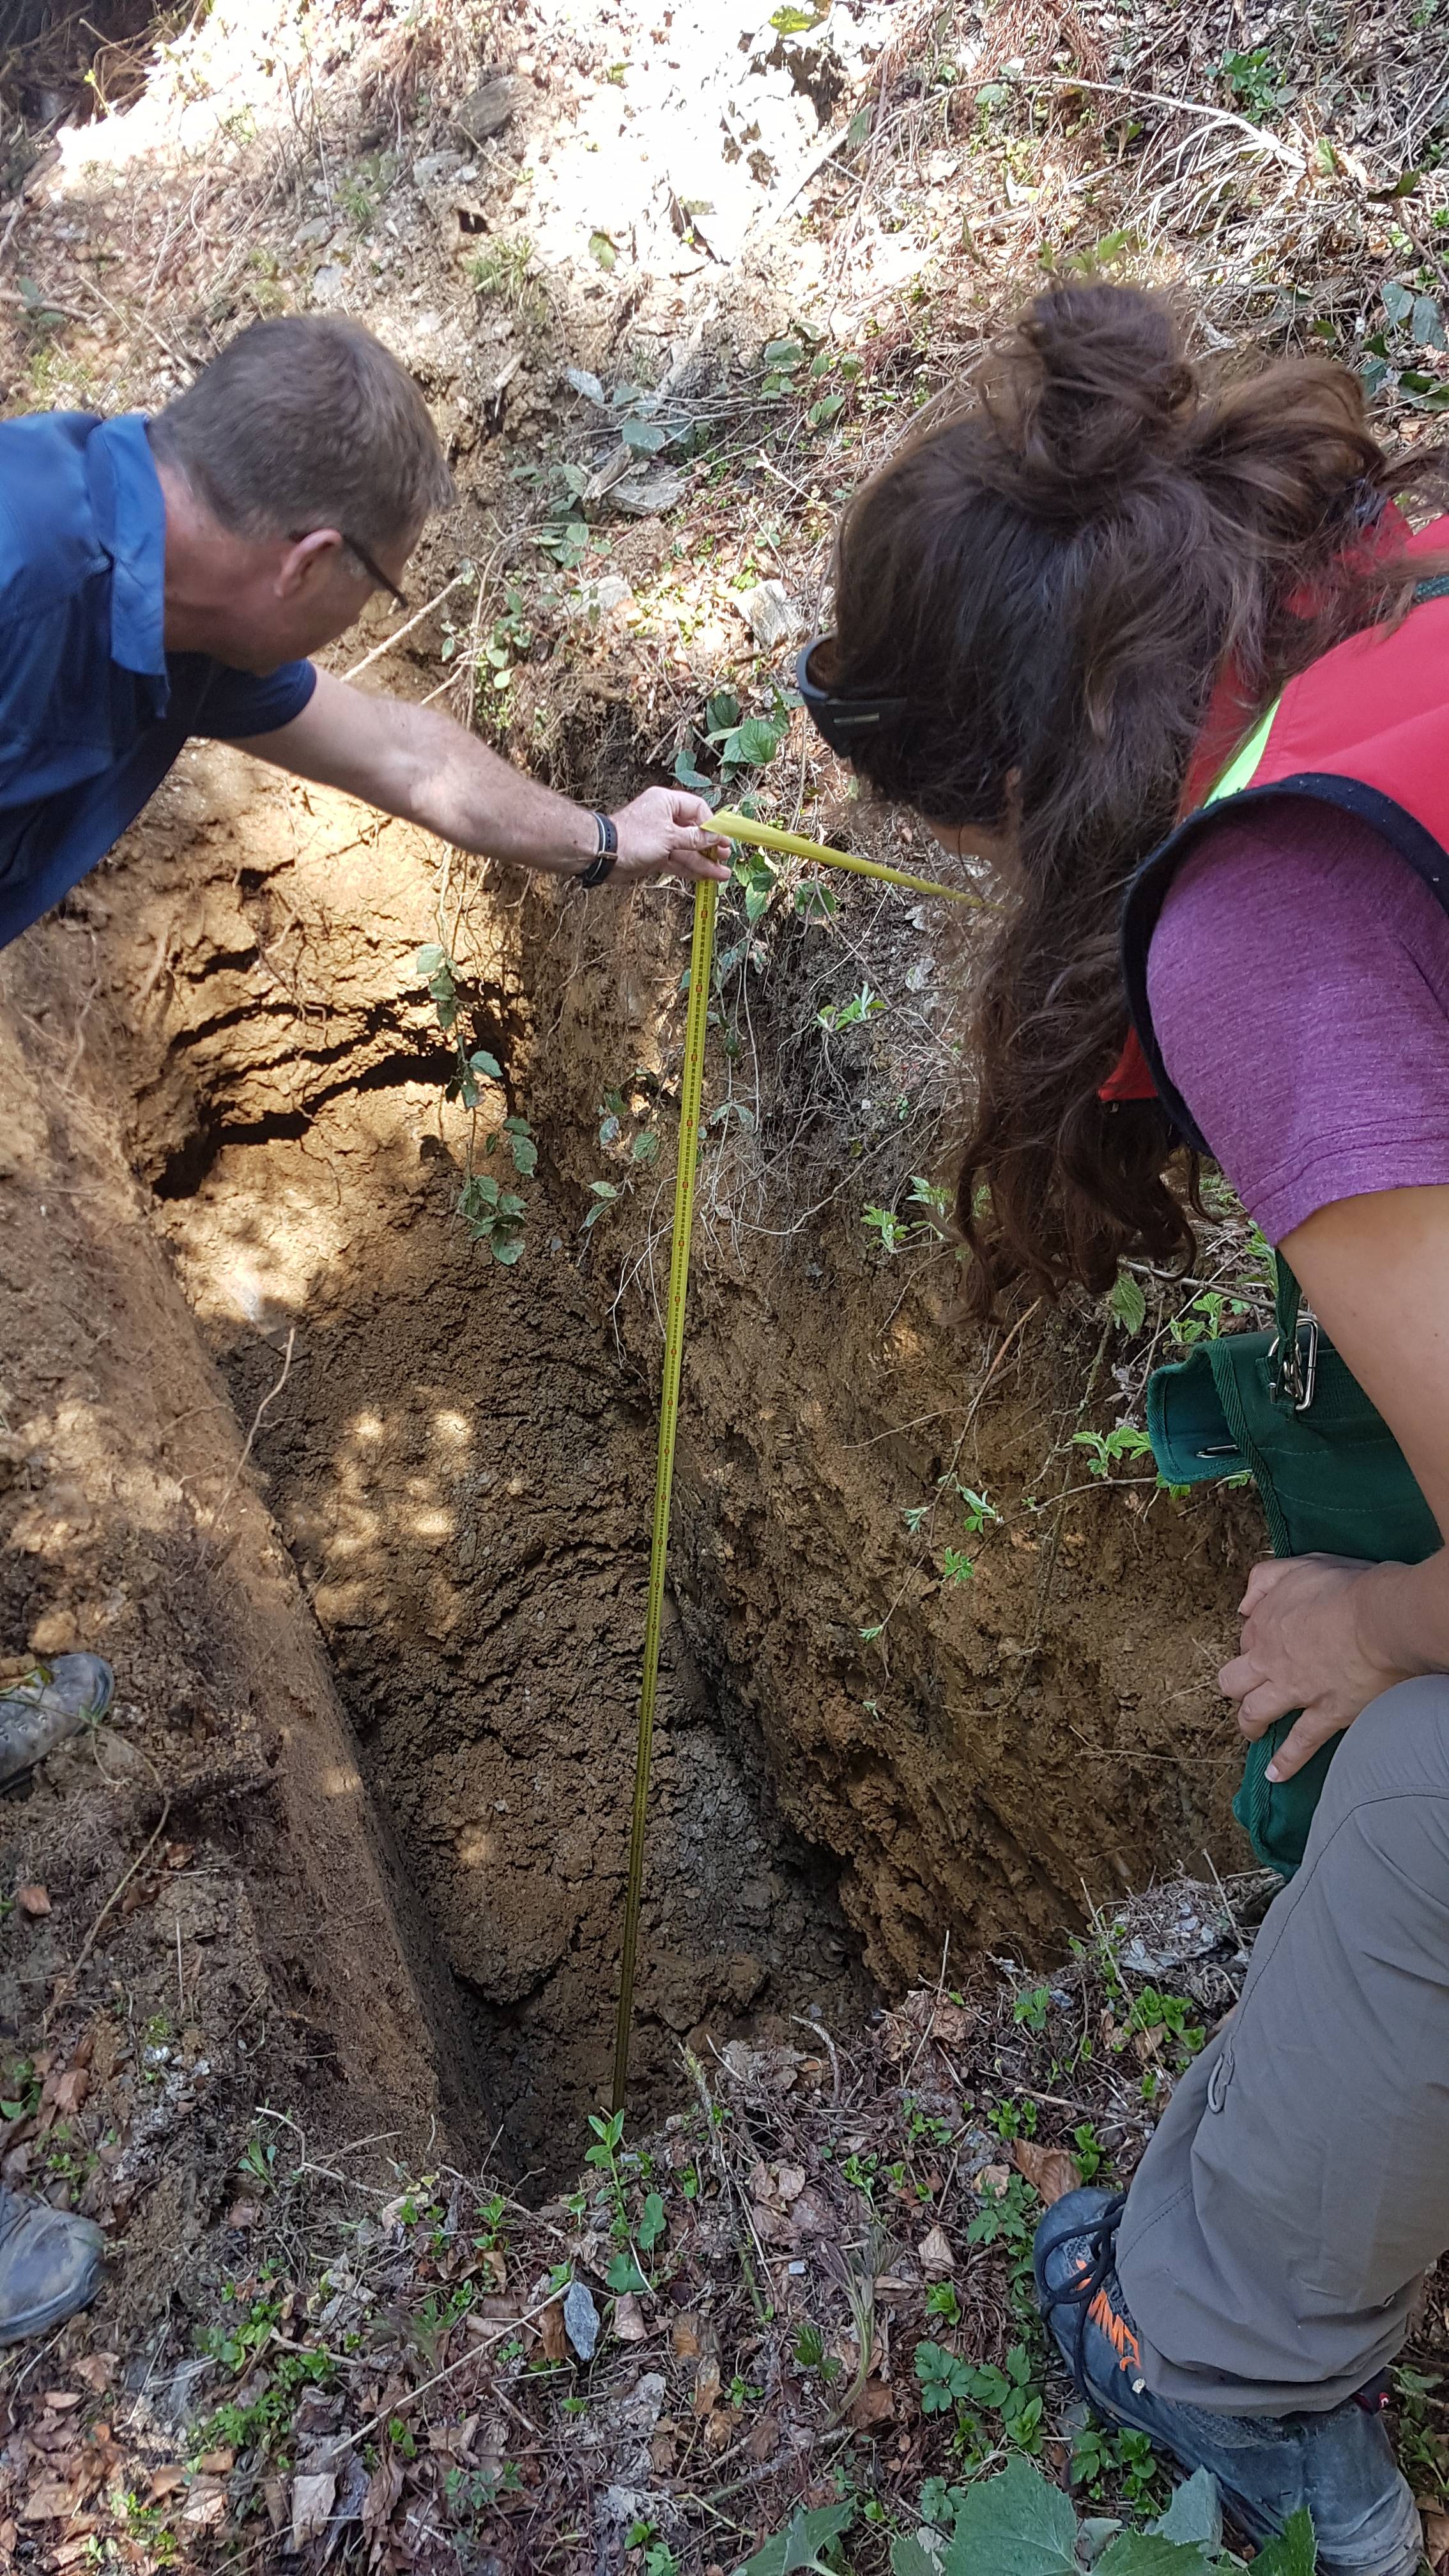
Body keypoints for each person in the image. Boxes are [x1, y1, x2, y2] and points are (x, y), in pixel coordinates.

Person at [799, 282, 1449, 2575]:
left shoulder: (1265, 912)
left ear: (1011, 788)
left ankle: (1226, 2356)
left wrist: (1378, 1619)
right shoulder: (1400, 601)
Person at [0, 314, 728, 2345]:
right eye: (368, 591)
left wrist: (603, 839)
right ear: (315, 550)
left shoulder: (167, 584)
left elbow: (406, 758)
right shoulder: (13, 575)